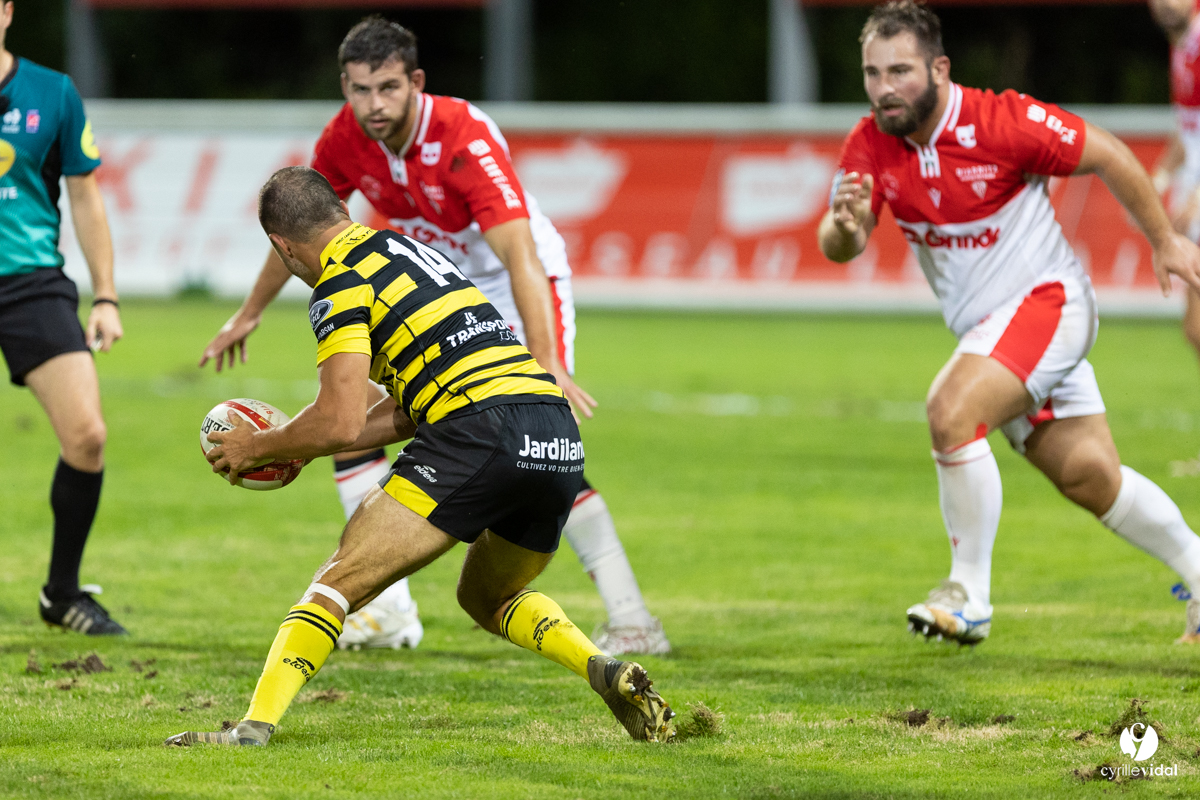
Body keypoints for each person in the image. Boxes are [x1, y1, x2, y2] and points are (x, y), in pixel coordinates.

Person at [198, 18, 669, 656]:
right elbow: (300, 232)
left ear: (416, 82)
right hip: (428, 288)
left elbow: (522, 257)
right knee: (346, 419)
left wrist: (547, 358)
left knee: (535, 439)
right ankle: (385, 611)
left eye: (388, 88)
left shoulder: (463, 136)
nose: (375, 105)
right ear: (346, 87)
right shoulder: (344, 137)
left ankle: (633, 617)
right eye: (361, 90)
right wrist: (249, 312)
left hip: (507, 283)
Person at [167, 167, 675, 746]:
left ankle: (251, 729)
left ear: (282, 247)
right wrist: (299, 446)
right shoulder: (408, 252)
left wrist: (259, 446)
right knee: (486, 596)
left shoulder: (338, 284)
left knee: (337, 584)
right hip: (553, 430)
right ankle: (603, 669)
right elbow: (405, 412)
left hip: (480, 428)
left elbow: (336, 420)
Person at [818, 0, 1200, 645]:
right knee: (1089, 476)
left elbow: (1106, 151)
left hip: (1050, 305)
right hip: (993, 335)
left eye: (901, 71)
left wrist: (1164, 240)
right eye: (873, 73)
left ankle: (968, 594)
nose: (886, 88)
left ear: (940, 69)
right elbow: (838, 241)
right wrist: (847, 225)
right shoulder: (872, 142)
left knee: (950, 410)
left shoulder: (1000, 121)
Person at [0, 0, 125, 635]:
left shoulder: (52, 93)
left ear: (7, 10)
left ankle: (61, 592)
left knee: (88, 436)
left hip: (29, 283)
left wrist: (104, 295)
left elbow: (84, 195)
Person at [1151, 2, 1200, 373]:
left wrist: (1197, 198)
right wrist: (1157, 181)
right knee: (1196, 330)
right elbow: (1187, 132)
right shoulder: (1182, 47)